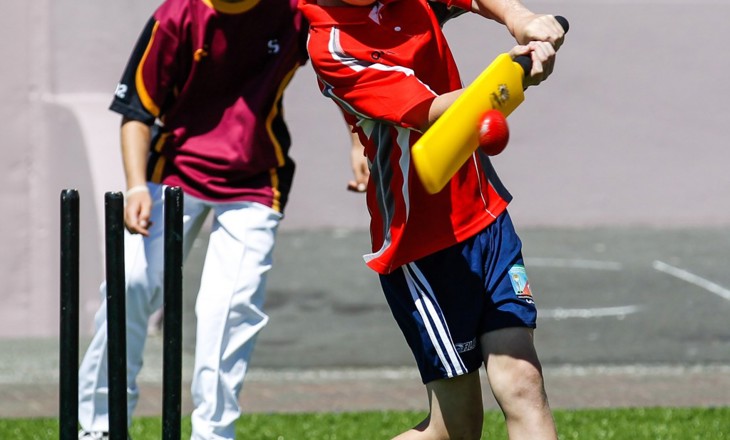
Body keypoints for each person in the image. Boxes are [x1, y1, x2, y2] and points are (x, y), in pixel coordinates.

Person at [75, 0, 344, 438]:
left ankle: (213, 434)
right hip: (174, 171)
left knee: (229, 307)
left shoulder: (295, 11)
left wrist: (357, 141)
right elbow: (136, 114)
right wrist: (136, 185)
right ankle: (100, 428)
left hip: (256, 180)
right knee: (130, 283)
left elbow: (341, 70)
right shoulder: (176, 16)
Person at [299, 0, 566, 438]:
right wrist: (513, 77)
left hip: (485, 213)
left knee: (523, 382)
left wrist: (523, 20)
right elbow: (435, 112)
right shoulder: (332, 46)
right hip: (422, 244)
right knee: (456, 429)